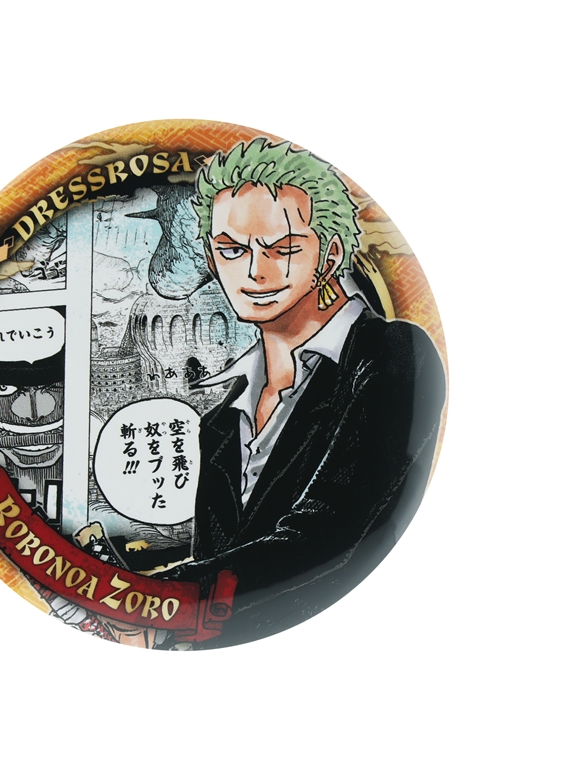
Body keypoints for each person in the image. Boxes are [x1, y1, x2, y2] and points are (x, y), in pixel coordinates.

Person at [159, 138, 446, 648]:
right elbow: (218, 585)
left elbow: (326, 535)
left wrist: (151, 598)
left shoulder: (392, 354)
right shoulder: (220, 424)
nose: (255, 271)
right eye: (231, 250)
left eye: (283, 248)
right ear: (211, 257)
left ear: (330, 255)